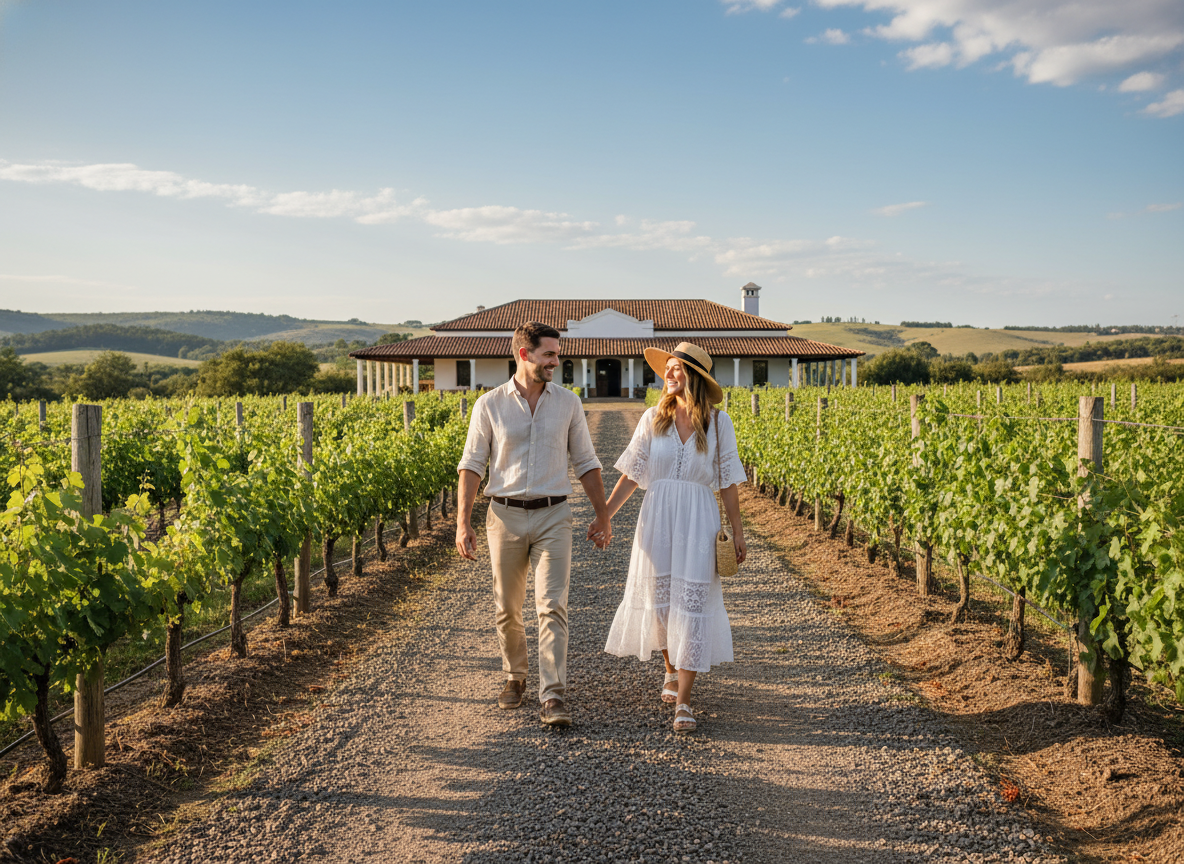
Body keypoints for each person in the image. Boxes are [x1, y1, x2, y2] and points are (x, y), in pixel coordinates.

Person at [456, 321, 612, 727]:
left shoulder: (568, 404)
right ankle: (515, 675)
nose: (556, 362)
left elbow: (587, 462)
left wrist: (603, 514)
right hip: (503, 516)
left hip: (554, 515)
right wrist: (462, 523)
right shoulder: (489, 405)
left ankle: (552, 694)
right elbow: (472, 466)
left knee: (551, 604)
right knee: (507, 606)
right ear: (524, 355)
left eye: (557, 354)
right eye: (549, 354)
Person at [603, 342, 747, 732]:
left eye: (676, 369)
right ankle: (669, 669)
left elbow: (730, 482)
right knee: (662, 602)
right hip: (658, 517)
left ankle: (684, 699)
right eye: (666, 369)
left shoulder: (719, 423)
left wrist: (736, 529)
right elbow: (632, 473)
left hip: (699, 519)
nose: (668, 374)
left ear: (695, 377)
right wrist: (605, 516)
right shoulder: (652, 418)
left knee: (693, 602)